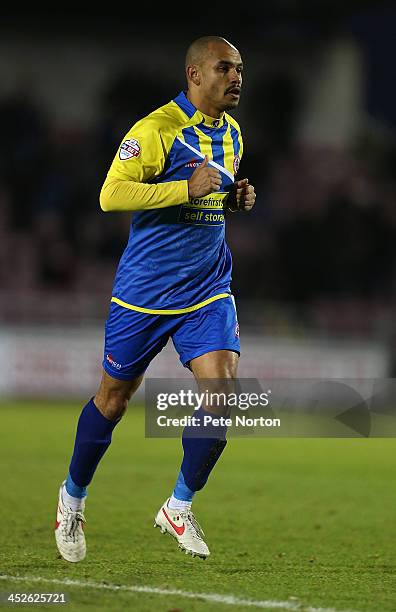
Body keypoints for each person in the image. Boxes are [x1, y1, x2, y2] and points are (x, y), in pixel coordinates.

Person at [55, 35, 256, 563]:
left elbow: (209, 200)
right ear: (194, 75)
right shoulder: (155, 129)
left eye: (239, 69)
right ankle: (72, 497)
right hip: (145, 294)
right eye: (224, 68)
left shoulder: (232, 133)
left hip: (207, 287)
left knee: (224, 395)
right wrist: (182, 189)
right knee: (113, 401)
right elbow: (110, 193)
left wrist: (231, 199)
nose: (236, 78)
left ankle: (179, 505)